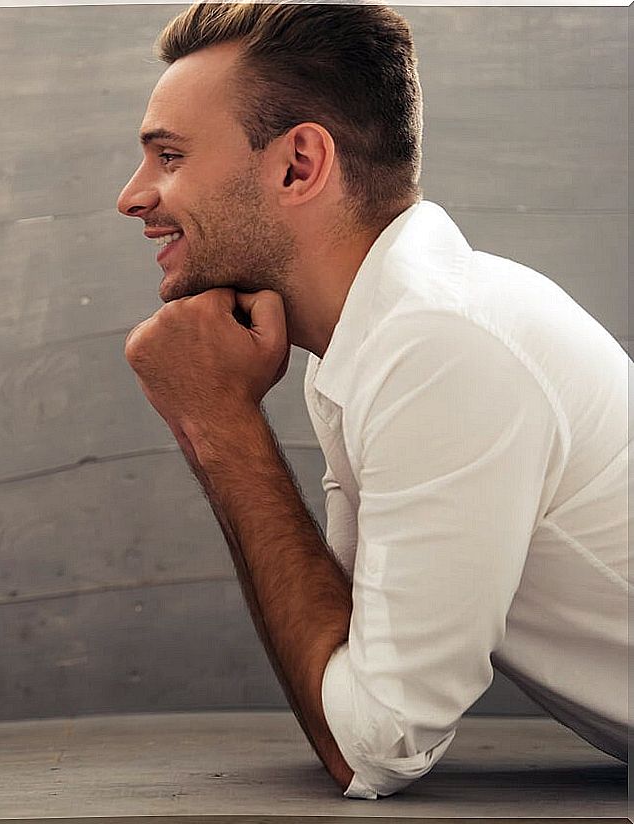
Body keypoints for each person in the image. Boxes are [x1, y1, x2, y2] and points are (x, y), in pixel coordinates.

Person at [117, 2, 629, 799]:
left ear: (299, 164)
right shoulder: (376, 336)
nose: (134, 196)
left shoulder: (439, 344)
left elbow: (373, 743)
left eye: (170, 157)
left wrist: (219, 423)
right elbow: (348, 662)